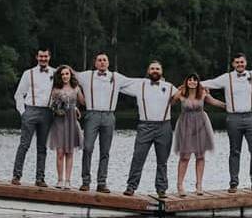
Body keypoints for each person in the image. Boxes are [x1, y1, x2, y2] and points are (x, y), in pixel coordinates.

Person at [201, 53, 252, 193]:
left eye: (242, 62)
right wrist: (193, 84)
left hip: (251, 117)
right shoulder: (226, 78)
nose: (240, 64)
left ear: (246, 63)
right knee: (234, 151)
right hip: (233, 118)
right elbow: (209, 82)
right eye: (237, 62)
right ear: (233, 64)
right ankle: (233, 183)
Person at [74, 53, 130, 193]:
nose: (102, 62)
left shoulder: (116, 77)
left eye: (105, 60)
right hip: (91, 115)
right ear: (95, 63)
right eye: (99, 60)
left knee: (105, 151)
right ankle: (85, 182)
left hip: (109, 116)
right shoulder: (87, 75)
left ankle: (101, 183)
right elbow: (69, 73)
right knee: (87, 148)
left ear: (108, 63)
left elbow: (134, 82)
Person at [121, 61, 177, 198]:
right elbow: (120, 84)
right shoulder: (139, 85)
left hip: (164, 126)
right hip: (145, 126)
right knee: (138, 158)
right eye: (152, 68)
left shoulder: (169, 86)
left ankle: (161, 189)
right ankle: (131, 187)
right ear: (148, 71)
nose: (155, 71)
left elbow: (185, 93)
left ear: (162, 71)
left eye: (157, 68)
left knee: (162, 161)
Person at [172, 73, 225, 195]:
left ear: (198, 82)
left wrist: (229, 106)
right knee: (185, 156)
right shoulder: (181, 93)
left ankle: (199, 185)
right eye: (190, 80)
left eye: (195, 80)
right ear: (186, 81)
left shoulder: (203, 93)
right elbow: (169, 102)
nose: (192, 82)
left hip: (201, 124)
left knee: (200, 156)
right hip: (185, 125)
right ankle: (180, 185)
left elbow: (215, 102)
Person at [12, 49, 56, 186]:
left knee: (42, 147)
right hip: (30, 110)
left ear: (49, 57)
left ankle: (40, 178)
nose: (43, 59)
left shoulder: (55, 73)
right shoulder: (28, 73)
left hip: (47, 112)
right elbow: (19, 94)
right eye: (41, 56)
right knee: (24, 145)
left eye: (46, 56)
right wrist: (23, 112)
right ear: (37, 57)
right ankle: (16, 176)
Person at [48, 65, 84, 189]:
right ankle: (59, 180)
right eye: (62, 74)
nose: (64, 76)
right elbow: (51, 105)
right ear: (60, 76)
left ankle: (68, 181)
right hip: (59, 121)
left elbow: (83, 102)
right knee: (60, 152)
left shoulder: (76, 88)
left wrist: (75, 107)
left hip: (72, 121)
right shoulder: (56, 90)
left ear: (70, 75)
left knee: (70, 152)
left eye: (67, 74)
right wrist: (57, 110)